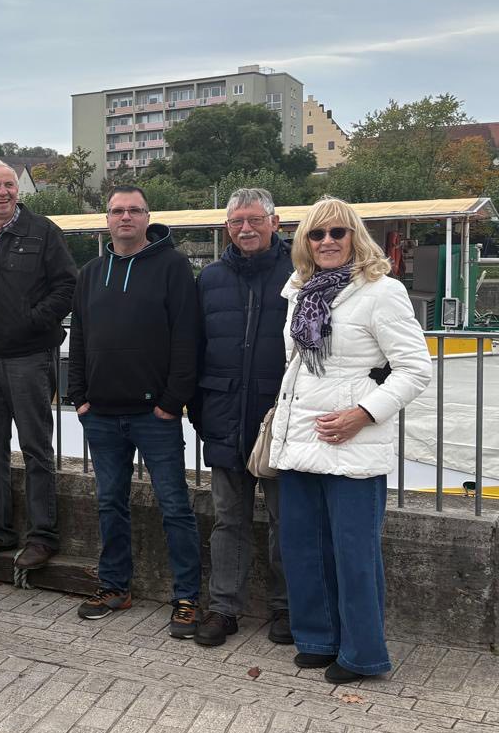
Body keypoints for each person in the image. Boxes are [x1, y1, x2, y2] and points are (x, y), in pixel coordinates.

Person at [269, 198, 432, 682]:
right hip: (302, 437)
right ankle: (318, 638)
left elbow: (416, 368)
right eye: (316, 235)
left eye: (337, 233)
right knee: (303, 546)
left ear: (355, 237)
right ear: (305, 242)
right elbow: (296, 368)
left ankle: (362, 655)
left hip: (351, 441)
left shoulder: (382, 291)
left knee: (354, 552)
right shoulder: (300, 291)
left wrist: (364, 414)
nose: (327, 242)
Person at [70, 186, 202, 635]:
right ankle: (114, 586)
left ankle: (187, 597)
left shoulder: (172, 267)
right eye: (116, 211)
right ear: (106, 220)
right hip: (102, 414)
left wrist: (171, 402)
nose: (124, 217)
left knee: (175, 506)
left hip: (155, 416)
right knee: (109, 503)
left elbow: (188, 338)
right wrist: (79, 398)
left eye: (133, 210)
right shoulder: (90, 272)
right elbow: (80, 339)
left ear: (147, 217)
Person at [0, 160, 78, 572]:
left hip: (29, 357)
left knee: (36, 448)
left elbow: (67, 287)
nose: (3, 192)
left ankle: (42, 536)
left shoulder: (43, 233)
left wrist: (33, 321)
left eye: (9, 185)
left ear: (18, 191)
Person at [188, 188, 294, 648]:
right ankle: (224, 608)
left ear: (275, 222)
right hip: (225, 414)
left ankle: (286, 608)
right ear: (226, 226)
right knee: (228, 519)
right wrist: (199, 410)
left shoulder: (300, 273)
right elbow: (193, 349)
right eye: (236, 222)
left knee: (285, 520)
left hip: (280, 420)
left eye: (254, 220)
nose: (245, 228)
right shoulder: (210, 278)